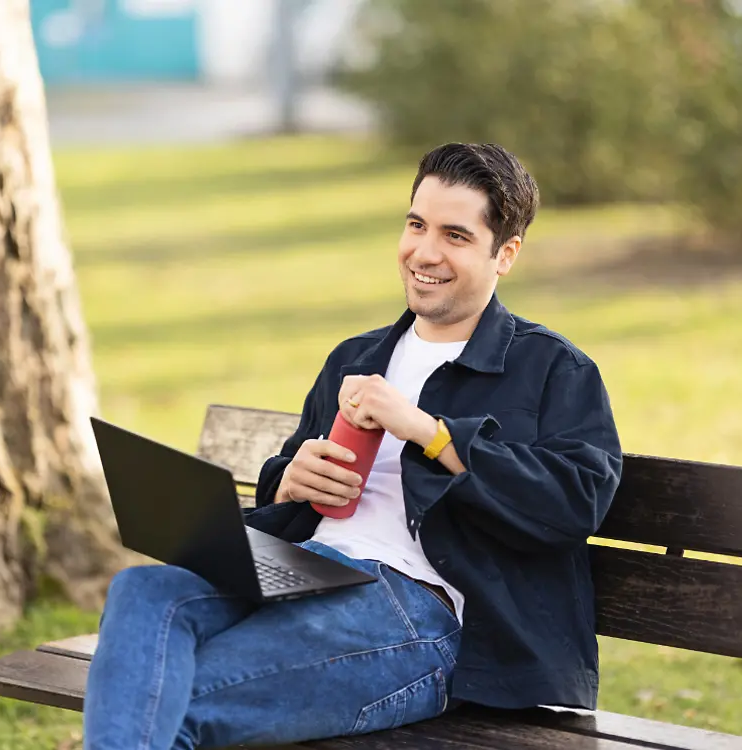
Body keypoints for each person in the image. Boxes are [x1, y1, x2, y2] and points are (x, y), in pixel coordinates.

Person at [83, 143, 623, 750]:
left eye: (455, 235)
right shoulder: (357, 356)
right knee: (142, 590)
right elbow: (293, 481)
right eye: (416, 225)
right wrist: (290, 481)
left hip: (419, 611)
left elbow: (577, 499)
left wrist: (431, 432)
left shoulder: (552, 369)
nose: (425, 252)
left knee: (170, 705)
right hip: (302, 570)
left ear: (505, 254)